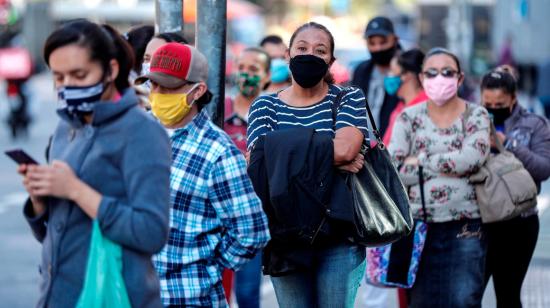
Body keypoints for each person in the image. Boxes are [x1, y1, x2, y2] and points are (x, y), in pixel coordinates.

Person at [18, 19, 171, 307]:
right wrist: (40, 200)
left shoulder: (141, 131)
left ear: (111, 70)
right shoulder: (66, 127)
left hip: (113, 294)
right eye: (59, 78)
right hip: (58, 294)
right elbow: (55, 234)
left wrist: (76, 190)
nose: (67, 87)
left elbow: (151, 233)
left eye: (79, 75)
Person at [135, 42, 270, 307]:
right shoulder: (137, 132)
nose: (158, 93)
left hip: (188, 297)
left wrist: (206, 262)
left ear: (197, 91)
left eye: (169, 87)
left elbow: (251, 232)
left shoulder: (217, 151)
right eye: (154, 85)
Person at [247, 22, 369, 308]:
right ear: (287, 55)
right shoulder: (265, 105)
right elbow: (258, 165)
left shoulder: (348, 97)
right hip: (284, 236)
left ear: (331, 61)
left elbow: (348, 148)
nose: (309, 54)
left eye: (320, 50)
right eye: (301, 48)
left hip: (339, 236)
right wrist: (329, 156)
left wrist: (282, 152)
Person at [388, 47, 491, 308]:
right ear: (421, 78)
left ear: (459, 78)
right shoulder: (408, 117)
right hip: (419, 227)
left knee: (463, 300)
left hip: (466, 225)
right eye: (432, 72)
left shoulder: (475, 114)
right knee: (422, 301)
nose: (439, 78)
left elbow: (472, 158)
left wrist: (422, 160)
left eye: (447, 72)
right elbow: (395, 170)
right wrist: (451, 160)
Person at [481, 68, 550, 308]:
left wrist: (507, 145)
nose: (492, 108)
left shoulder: (535, 124)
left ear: (513, 98)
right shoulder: (471, 120)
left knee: (508, 295)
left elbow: (544, 168)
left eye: (499, 103)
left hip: (519, 222)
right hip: (479, 221)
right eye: (487, 103)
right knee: (467, 294)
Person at [223, 47, 271, 308]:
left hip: (251, 217)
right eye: (242, 68)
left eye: (253, 70)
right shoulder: (219, 108)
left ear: (265, 77)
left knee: (248, 294)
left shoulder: (270, 114)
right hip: (218, 215)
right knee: (215, 290)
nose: (246, 75)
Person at [352, 16, 400, 137]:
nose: (377, 48)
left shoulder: (406, 71)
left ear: (395, 40)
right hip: (364, 147)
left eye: (383, 42)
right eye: (372, 43)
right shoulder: (361, 71)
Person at [382, 48, 428, 145]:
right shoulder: (401, 105)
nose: (387, 76)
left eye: (391, 71)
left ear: (406, 75)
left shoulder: (425, 107)